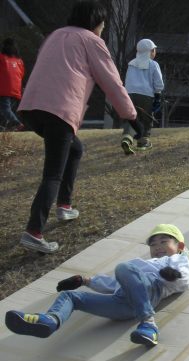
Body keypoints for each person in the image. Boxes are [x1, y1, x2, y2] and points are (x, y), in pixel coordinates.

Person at [17, 0, 144, 254]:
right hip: (59, 111)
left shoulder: (56, 35)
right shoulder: (91, 40)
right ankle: (34, 231)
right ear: (96, 22)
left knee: (74, 149)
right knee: (53, 173)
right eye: (103, 23)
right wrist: (132, 117)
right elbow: (112, 82)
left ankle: (64, 206)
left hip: (32, 108)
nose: (104, 27)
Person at [5, 224, 189, 348]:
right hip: (121, 304)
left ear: (179, 246)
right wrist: (85, 281)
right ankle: (50, 321)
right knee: (70, 296)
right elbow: (115, 284)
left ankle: (148, 325)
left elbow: (187, 278)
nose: (158, 247)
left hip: (150, 292)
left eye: (164, 241)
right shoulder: (141, 265)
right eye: (153, 244)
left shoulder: (176, 260)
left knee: (123, 267)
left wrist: (173, 275)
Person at [120, 38, 164, 155]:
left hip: (129, 94)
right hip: (146, 95)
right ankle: (143, 142)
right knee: (147, 118)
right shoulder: (153, 64)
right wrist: (158, 96)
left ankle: (127, 138)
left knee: (132, 117)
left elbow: (127, 80)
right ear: (150, 51)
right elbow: (158, 83)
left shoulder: (131, 64)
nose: (155, 52)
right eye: (154, 50)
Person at [0, 38, 25, 131]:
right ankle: (7, 128)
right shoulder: (19, 61)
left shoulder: (1, 58)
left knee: (5, 109)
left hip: (4, 90)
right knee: (7, 110)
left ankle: (16, 123)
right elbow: (22, 74)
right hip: (16, 90)